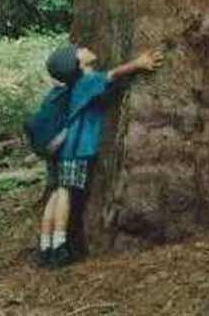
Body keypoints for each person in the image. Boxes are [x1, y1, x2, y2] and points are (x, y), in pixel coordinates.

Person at [37, 42, 164, 267]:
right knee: (65, 192)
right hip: (74, 149)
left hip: (61, 150)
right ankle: (59, 246)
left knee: (56, 194)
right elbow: (113, 74)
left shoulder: (73, 86)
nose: (85, 48)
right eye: (79, 51)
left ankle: (45, 246)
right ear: (78, 63)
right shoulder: (85, 81)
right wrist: (139, 63)